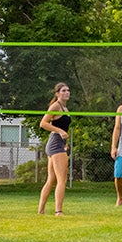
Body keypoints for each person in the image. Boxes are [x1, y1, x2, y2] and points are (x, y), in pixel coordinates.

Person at [36, 81, 71, 215]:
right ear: (57, 93)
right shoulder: (55, 106)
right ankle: (58, 211)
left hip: (59, 143)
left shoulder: (65, 109)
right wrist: (60, 131)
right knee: (62, 179)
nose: (67, 93)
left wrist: (65, 141)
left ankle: (41, 210)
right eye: (63, 91)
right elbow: (43, 123)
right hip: (55, 143)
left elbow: (63, 127)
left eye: (68, 90)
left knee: (51, 179)